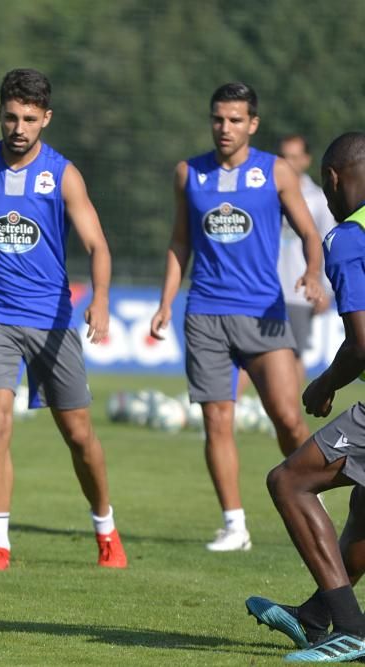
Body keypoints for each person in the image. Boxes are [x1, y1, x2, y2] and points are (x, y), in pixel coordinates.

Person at [0, 68, 127, 572]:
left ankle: (105, 527)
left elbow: (96, 244)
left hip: (52, 321)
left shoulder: (63, 173)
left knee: (78, 435)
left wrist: (102, 299)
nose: (19, 127)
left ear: (45, 118)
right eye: (10, 116)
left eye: (29, 118)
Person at [149, 82, 324, 552]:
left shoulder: (275, 172)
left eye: (234, 120)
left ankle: (314, 500)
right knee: (218, 421)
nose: (224, 128)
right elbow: (179, 242)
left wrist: (311, 272)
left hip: (263, 314)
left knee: (287, 417)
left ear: (253, 124)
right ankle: (234, 525)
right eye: (218, 119)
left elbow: (310, 233)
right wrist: (167, 300)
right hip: (204, 314)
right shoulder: (189, 173)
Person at [244, 131, 365, 662]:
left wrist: (323, 385)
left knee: (289, 481)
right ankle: (317, 615)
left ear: (333, 180)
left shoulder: (349, 238)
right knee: (364, 505)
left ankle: (351, 629)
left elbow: (363, 343)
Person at [278, 135, 338, 385]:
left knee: (293, 355)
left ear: (305, 160)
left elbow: (329, 243)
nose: (287, 162)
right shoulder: (268, 193)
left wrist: (325, 288)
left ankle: (290, 419)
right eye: (283, 156)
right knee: (252, 355)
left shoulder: (317, 199)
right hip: (264, 288)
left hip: (298, 292)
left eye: (293, 157)